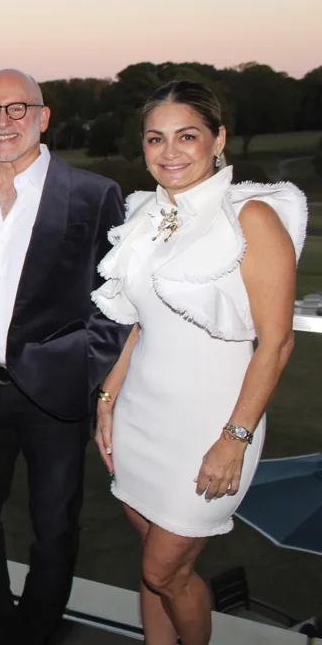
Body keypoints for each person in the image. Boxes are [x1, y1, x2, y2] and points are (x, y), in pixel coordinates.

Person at [92, 80, 305, 645]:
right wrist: (108, 398)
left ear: (219, 139)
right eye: (155, 138)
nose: (169, 152)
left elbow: (277, 343)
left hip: (212, 428)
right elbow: (142, 323)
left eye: (186, 136)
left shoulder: (251, 219)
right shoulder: (147, 213)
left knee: (166, 571)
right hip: (140, 418)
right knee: (151, 563)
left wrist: (235, 438)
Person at [0, 69, 128, 645]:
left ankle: (36, 633)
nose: (2, 122)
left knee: (53, 530)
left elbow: (117, 303)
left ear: (43, 116)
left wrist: (82, 373)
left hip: (55, 397)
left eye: (16, 108)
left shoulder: (93, 195)